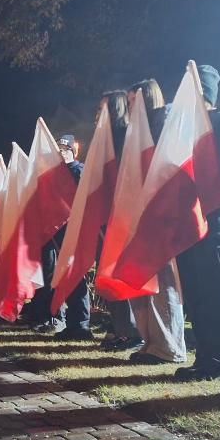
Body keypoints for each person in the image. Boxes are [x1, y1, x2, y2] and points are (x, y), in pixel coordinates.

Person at [174, 65, 220, 381]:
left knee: (215, 289)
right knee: (196, 292)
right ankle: (204, 355)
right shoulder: (183, 128)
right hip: (189, 221)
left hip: (214, 220)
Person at [122, 78, 186, 366]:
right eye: (128, 102)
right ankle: (150, 342)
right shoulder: (135, 131)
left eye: (134, 100)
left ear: (147, 99)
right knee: (142, 278)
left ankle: (167, 346)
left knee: (162, 281)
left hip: (160, 214)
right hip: (138, 214)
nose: (130, 106)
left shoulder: (164, 123)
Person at [26, 134, 93, 339]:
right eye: (59, 151)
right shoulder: (54, 175)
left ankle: (81, 325)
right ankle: (69, 322)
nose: (62, 154)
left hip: (74, 232)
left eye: (66, 150)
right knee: (62, 278)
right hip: (58, 234)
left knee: (75, 277)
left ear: (74, 151)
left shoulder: (79, 171)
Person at [98, 91, 144, 352]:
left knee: (121, 274)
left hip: (123, 218)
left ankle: (131, 331)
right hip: (107, 217)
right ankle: (120, 328)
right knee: (109, 275)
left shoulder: (126, 137)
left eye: (103, 109)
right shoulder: (104, 142)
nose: (98, 115)